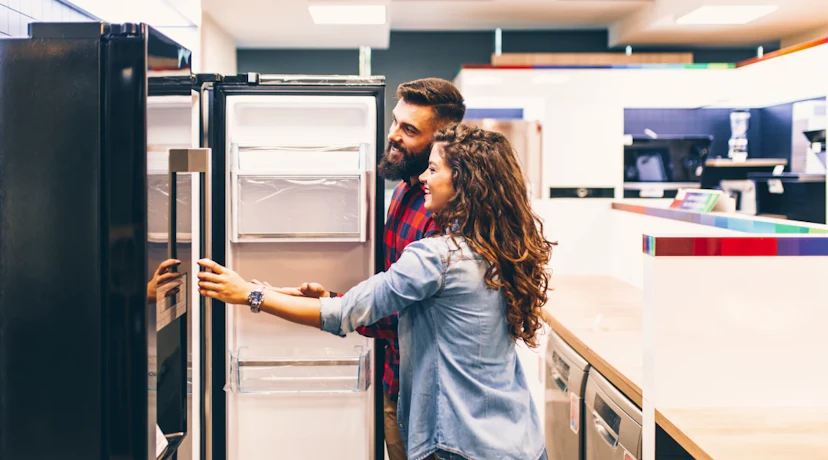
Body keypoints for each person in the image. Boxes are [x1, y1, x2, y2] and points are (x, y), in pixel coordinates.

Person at [197, 124, 553, 460]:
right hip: (518, 438)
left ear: (463, 181)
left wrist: (250, 296)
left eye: (433, 169)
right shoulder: (500, 248)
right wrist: (291, 294)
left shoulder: (437, 256)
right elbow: (382, 306)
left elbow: (343, 315)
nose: (424, 179)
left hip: (460, 444)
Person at [282, 77, 466, 460]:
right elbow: (390, 285)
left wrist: (333, 305)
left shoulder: (445, 215)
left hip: (432, 395)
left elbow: (401, 309)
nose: (394, 135)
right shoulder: (403, 189)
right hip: (393, 377)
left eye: (409, 130)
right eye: (395, 122)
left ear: (441, 141)